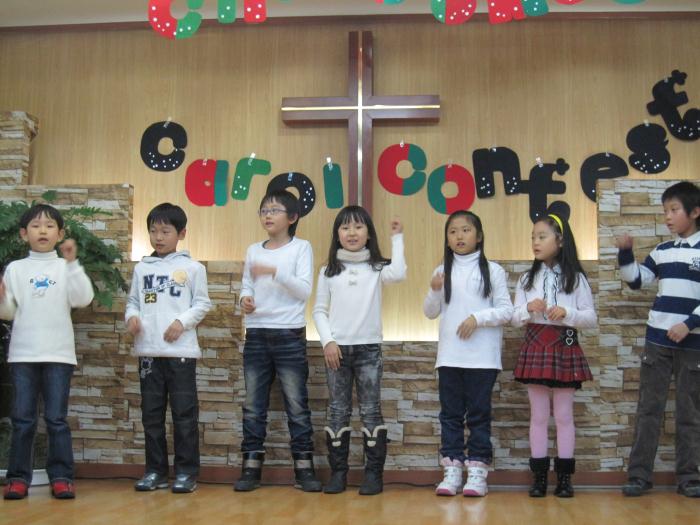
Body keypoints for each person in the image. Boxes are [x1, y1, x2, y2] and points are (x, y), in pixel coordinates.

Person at [1, 204, 94, 500]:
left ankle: (62, 478)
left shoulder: (65, 267)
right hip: (23, 356)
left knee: (56, 419)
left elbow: (83, 298)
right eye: (36, 225)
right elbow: (8, 313)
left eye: (50, 225)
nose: (43, 230)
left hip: (58, 355)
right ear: (23, 233)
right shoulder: (15, 269)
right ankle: (18, 479)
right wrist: (2, 299)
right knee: (23, 420)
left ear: (60, 234)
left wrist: (73, 264)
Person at [313, 205, 406, 495]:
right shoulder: (328, 271)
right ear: (337, 234)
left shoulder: (377, 268)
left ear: (368, 233)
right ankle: (338, 475)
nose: (351, 233)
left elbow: (399, 273)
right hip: (336, 351)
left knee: (370, 412)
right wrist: (328, 341)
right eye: (345, 227)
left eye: (358, 226)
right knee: (337, 412)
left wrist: (398, 238)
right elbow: (319, 310)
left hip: (368, 350)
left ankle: (373, 476)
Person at [617, 181, 700, 498]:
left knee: (690, 412)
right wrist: (626, 253)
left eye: (674, 210)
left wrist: (689, 324)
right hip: (657, 342)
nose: (667, 216)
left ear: (694, 212)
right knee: (648, 409)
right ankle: (639, 476)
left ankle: (689, 477)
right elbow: (637, 280)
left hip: (693, 344)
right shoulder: (662, 250)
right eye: (665, 210)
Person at [235, 190, 321, 492]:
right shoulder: (253, 249)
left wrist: (274, 271)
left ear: (293, 217)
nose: (267, 215)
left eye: (274, 210)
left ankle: (304, 469)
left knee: (296, 405)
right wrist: (245, 299)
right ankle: (250, 468)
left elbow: (304, 290)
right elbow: (247, 284)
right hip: (257, 332)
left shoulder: (301, 248)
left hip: (289, 333)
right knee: (253, 406)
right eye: (264, 210)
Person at [423, 211, 513, 497]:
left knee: (478, 416)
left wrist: (478, 318)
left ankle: (477, 474)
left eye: (465, 230)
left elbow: (507, 311)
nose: (459, 236)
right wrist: (434, 291)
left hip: (482, 358)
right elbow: (429, 312)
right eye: (453, 231)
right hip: (449, 357)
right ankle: (451, 472)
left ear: (479, 236)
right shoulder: (442, 271)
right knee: (449, 416)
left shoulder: (493, 271)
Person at [126, 203, 211, 493]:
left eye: (165, 231)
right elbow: (133, 302)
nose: (158, 237)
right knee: (151, 416)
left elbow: (202, 304)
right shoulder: (142, 269)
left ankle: (186, 473)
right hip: (148, 351)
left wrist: (181, 322)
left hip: (181, 353)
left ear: (181, 233)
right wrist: (131, 318)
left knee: (184, 415)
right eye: (153, 231)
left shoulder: (193, 268)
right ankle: (155, 471)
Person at [512, 214, 596, 498]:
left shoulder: (576, 278)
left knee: (563, 415)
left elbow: (590, 318)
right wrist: (528, 309)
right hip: (536, 346)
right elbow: (514, 318)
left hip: (564, 346)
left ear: (560, 241)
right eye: (533, 237)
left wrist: (567, 312)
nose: (535, 242)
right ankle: (538, 478)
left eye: (542, 236)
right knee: (538, 416)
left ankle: (564, 479)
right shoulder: (526, 279)